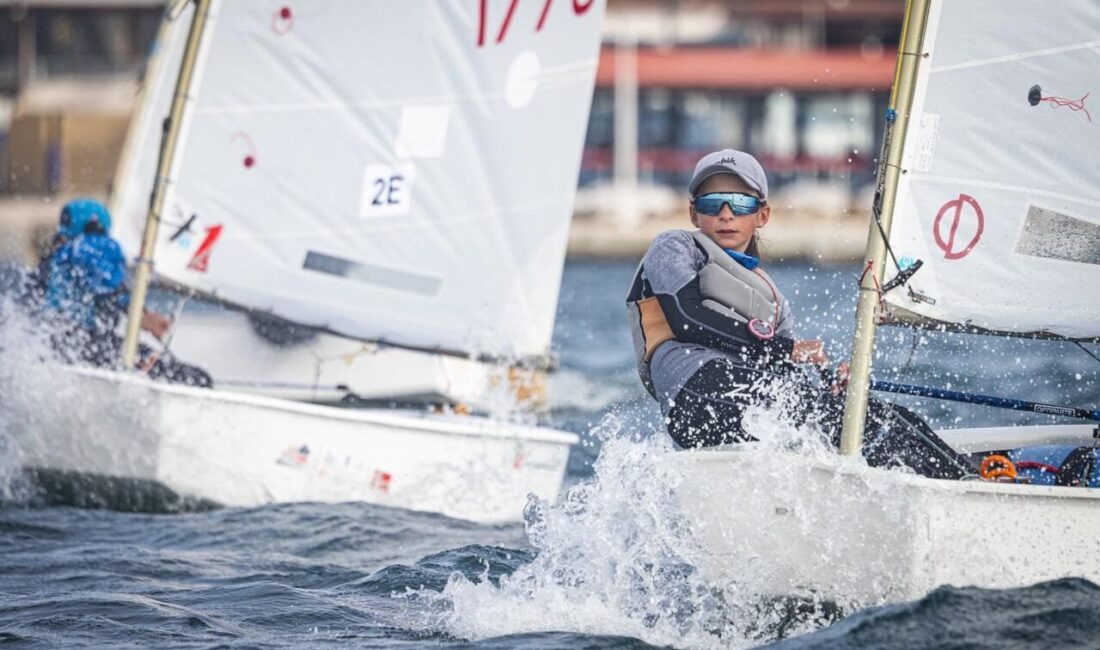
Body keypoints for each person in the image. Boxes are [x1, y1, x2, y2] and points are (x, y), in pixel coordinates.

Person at [626, 149, 973, 480]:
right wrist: (783, 350)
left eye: (742, 203)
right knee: (835, 416)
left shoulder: (774, 301)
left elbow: (783, 371)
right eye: (712, 203)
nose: (726, 214)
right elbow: (687, 318)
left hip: (744, 401)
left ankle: (969, 476)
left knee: (865, 415)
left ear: (762, 215)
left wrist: (832, 385)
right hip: (695, 391)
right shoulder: (676, 246)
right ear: (693, 214)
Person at [41, 198, 212, 387]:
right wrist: (142, 317)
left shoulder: (57, 255)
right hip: (83, 343)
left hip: (53, 343)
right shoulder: (95, 246)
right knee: (197, 379)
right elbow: (107, 287)